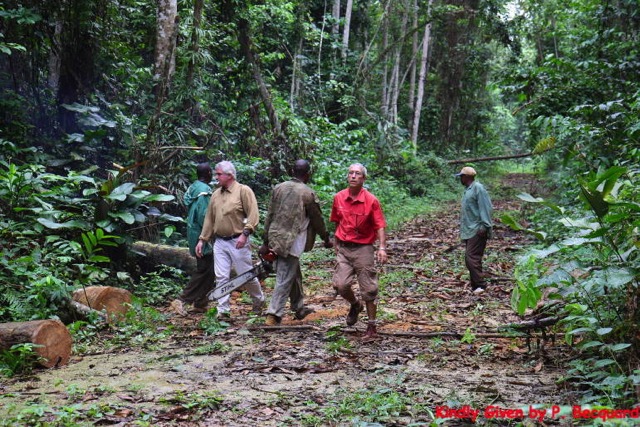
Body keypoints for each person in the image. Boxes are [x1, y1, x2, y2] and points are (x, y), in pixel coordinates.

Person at [259, 160, 333, 326]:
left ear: (292, 171)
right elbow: (317, 219)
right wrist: (326, 238)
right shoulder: (307, 193)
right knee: (285, 276)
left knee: (293, 272)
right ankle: (274, 313)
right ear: (307, 174)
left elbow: (269, 215)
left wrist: (265, 240)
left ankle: (298, 307)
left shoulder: (278, 188)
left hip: (276, 236)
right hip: (293, 240)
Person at [195, 161, 265, 319]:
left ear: (229, 175)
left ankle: (258, 301)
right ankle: (223, 311)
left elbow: (253, 214)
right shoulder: (216, 194)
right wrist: (202, 240)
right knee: (221, 276)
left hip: (238, 240)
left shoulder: (243, 191)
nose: (216, 177)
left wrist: (245, 233)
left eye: (219, 174)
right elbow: (209, 219)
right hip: (219, 241)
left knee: (245, 275)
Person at [330, 163, 387, 339]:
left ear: (363, 178)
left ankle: (371, 326)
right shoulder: (339, 197)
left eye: (357, 174)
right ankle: (355, 304)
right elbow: (337, 220)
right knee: (341, 285)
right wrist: (336, 241)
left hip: (363, 248)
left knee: (369, 289)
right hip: (345, 248)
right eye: (350, 173)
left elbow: (379, 225)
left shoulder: (371, 200)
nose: (353, 176)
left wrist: (382, 248)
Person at [170, 162, 215, 316]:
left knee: (209, 269)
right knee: (204, 269)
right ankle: (182, 299)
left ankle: (201, 302)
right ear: (208, 172)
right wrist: (209, 234)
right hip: (201, 234)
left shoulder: (193, 187)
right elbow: (204, 215)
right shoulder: (203, 191)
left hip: (193, 231)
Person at [455, 166, 493, 294]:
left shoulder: (478, 188)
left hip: (477, 228)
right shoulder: (468, 190)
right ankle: (475, 285)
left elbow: (485, 207)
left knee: (471, 257)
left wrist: (484, 226)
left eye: (461, 176)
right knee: (471, 258)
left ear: (467, 177)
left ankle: (481, 286)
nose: (460, 179)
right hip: (469, 229)